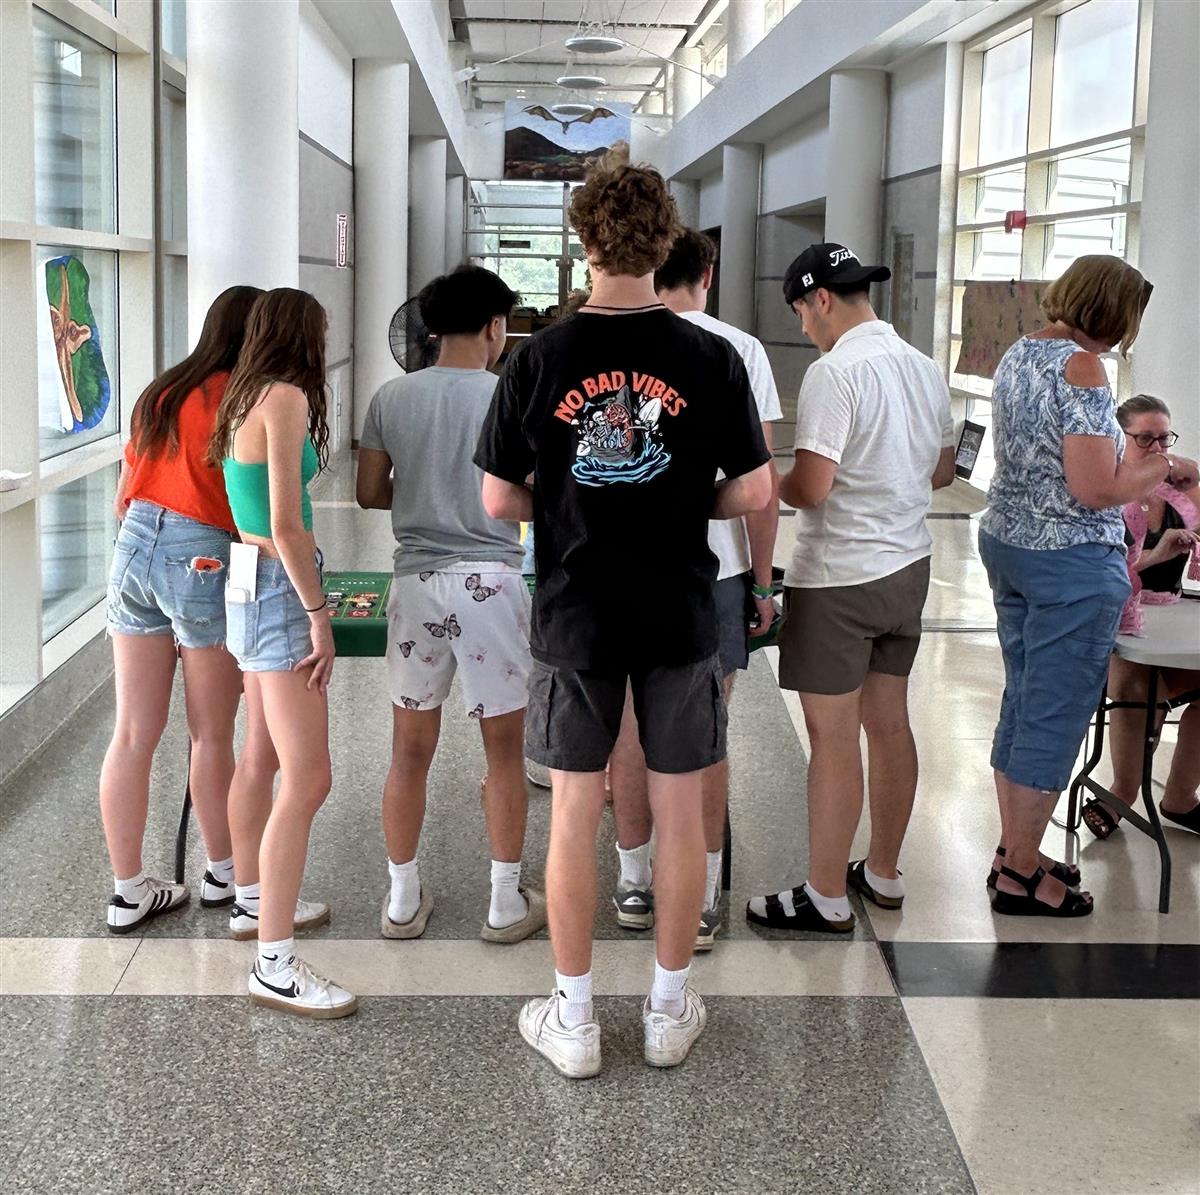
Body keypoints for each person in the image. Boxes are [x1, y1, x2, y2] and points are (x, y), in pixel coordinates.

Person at [475, 151, 773, 1078]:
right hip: (680, 606)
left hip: (576, 610)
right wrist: (684, 504)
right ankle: (668, 1009)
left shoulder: (539, 357)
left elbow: (498, 498)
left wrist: (570, 506)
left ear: (585, 241)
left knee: (574, 809)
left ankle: (573, 1020)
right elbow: (757, 488)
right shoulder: (712, 356)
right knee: (680, 811)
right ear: (665, 242)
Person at [975, 256, 1198, 916]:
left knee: (1023, 702)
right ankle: (1020, 873)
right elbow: (1097, 486)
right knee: (1056, 715)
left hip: (1010, 543)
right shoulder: (1083, 367)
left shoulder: (1021, 352)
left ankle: (1014, 849)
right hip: (1068, 561)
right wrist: (1161, 466)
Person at [746, 243, 956, 934]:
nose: (805, 327)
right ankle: (884, 873)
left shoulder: (834, 372)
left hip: (840, 578)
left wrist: (762, 483)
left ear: (820, 299)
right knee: (889, 723)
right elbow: (942, 472)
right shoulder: (923, 366)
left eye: (801, 313)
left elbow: (812, 486)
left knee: (832, 737)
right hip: (908, 568)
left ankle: (826, 894)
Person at [356, 265, 546, 944]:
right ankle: (503, 901)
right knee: (504, 752)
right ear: (495, 327)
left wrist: (421, 494)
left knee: (409, 750)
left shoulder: (391, 396)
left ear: (430, 328)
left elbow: (369, 492)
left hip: (416, 584)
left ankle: (402, 898)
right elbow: (535, 494)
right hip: (492, 584)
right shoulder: (512, 395)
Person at [608, 228, 782, 951]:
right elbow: (760, 483)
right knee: (705, 732)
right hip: (718, 569)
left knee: (628, 726)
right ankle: (704, 895)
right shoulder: (739, 350)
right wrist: (764, 582)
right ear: (706, 273)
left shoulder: (615, 343)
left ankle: (634, 882)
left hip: (620, 565)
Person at [209, 288, 355, 1018]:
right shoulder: (287, 397)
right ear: (302, 336)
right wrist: (319, 616)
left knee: (260, 756)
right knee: (309, 777)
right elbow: (288, 525)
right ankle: (274, 963)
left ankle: (254, 900)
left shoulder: (241, 397)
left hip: (248, 581)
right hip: (277, 587)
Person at [102, 285, 262, 933]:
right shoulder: (244, 398)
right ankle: (223, 873)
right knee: (211, 732)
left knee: (132, 732)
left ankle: (127, 891)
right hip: (203, 553)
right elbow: (250, 509)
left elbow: (125, 491)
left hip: (133, 546)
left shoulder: (160, 392)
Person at [1082, 395, 1200, 839]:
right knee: (1134, 685)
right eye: (1145, 439)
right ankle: (1123, 791)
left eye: (1164, 439)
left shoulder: (1182, 494)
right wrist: (1156, 555)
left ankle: (1181, 796)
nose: (1157, 450)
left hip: (1169, 621)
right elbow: (1100, 573)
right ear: (1120, 439)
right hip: (1117, 623)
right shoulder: (1107, 494)